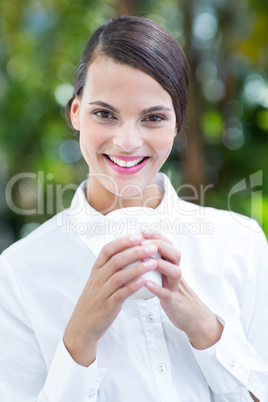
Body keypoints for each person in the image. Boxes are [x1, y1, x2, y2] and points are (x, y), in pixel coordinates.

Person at [0, 15, 267, 402]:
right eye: (104, 114)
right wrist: (79, 339)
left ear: (176, 125)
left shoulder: (240, 244)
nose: (127, 142)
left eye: (153, 118)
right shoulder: (18, 273)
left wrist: (204, 328)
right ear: (76, 112)